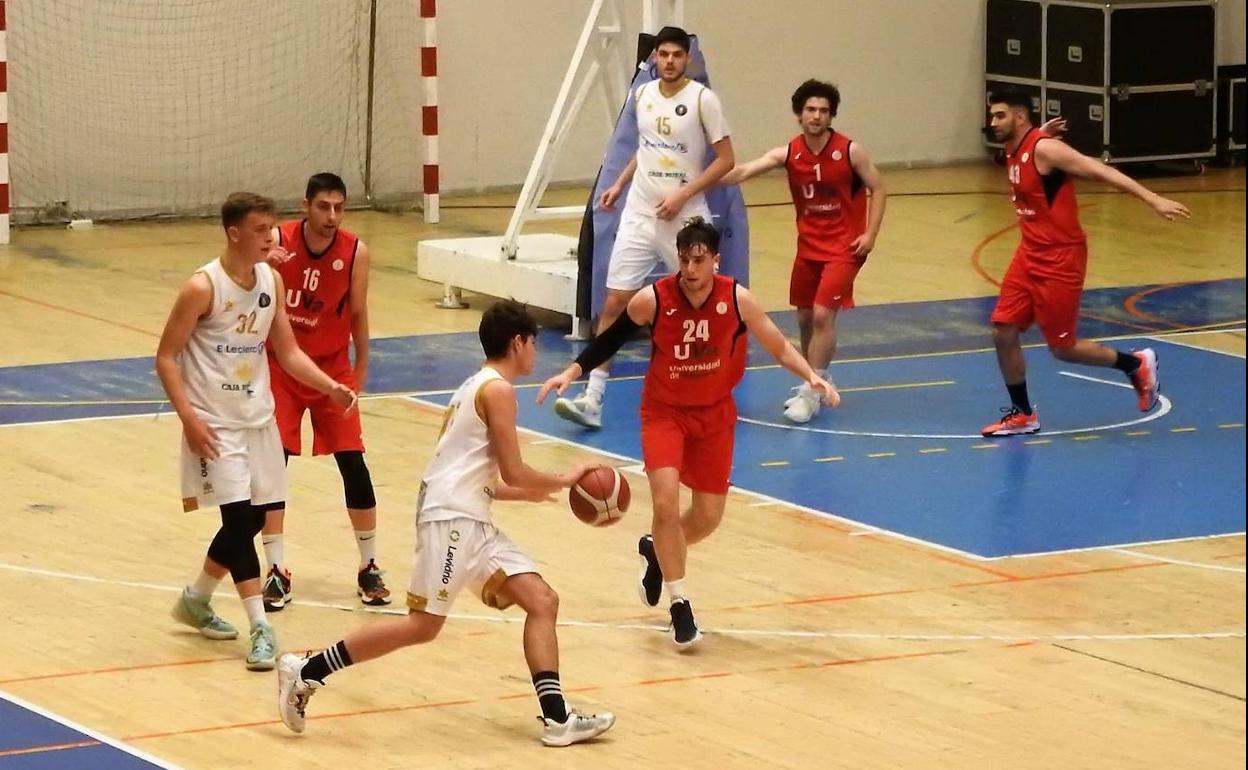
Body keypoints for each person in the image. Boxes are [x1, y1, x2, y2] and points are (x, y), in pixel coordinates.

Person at [277, 301, 616, 748]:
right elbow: (513, 472)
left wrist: (533, 491)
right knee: (422, 625)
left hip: (470, 514)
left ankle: (557, 719)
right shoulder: (496, 391)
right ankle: (307, 671)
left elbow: (489, 479)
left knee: (542, 600)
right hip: (451, 520)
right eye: (533, 342)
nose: (535, 351)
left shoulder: (475, 386)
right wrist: (566, 476)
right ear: (518, 343)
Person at [539, 219, 839, 649]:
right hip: (665, 413)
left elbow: (779, 347)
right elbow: (611, 339)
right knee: (665, 502)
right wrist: (572, 370)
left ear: (715, 260)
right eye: (684, 260)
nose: (691, 269)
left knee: (707, 517)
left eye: (700, 260)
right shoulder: (654, 299)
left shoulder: (737, 300)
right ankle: (681, 606)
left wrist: (812, 376)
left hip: (714, 415)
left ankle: (657, 552)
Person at [156, 192, 357, 671]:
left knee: (251, 519)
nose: (273, 235)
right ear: (234, 233)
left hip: (258, 418)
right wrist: (189, 418)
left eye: (273, 227)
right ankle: (260, 627)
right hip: (215, 422)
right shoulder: (202, 287)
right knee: (236, 519)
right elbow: (166, 357)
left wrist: (330, 387)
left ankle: (196, 598)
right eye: (262, 229)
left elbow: (286, 351)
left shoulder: (271, 280)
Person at [555, 25, 735, 430]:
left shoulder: (703, 100)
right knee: (614, 301)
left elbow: (725, 159)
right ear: (654, 58)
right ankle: (593, 397)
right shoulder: (642, 95)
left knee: (704, 302)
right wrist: (619, 184)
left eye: (676, 54)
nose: (669, 61)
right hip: (640, 212)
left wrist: (682, 195)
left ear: (687, 57)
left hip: (685, 217)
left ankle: (714, 390)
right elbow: (645, 147)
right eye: (663, 54)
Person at [980, 92, 1190, 437]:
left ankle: (1136, 364)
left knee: (1063, 349)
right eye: (992, 116)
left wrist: (1153, 199)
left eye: (1000, 116)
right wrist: (1038, 135)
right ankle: (1023, 414)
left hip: (1061, 258)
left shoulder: (1047, 150)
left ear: (1018, 118)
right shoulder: (1016, 147)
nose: (993, 122)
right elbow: (1028, 156)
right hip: (1028, 254)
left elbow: (1101, 171)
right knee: (1002, 331)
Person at [719, 79, 886, 423]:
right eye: (811, 109)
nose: (817, 116)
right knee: (805, 317)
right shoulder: (789, 153)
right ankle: (817, 374)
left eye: (824, 111)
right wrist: (702, 179)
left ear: (831, 115)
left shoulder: (850, 151)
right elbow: (746, 170)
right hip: (809, 246)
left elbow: (879, 187)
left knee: (824, 315)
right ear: (799, 114)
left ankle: (813, 389)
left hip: (845, 246)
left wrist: (870, 233)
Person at [259, 172, 390, 612]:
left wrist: (361, 370)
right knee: (274, 464)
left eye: (339, 207)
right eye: (323, 207)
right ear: (306, 206)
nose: (332, 216)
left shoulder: (355, 252)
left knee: (354, 463)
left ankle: (369, 566)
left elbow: (358, 314)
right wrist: (264, 262)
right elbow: (238, 272)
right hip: (281, 367)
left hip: (332, 367)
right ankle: (276, 570)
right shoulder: (276, 240)